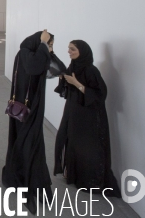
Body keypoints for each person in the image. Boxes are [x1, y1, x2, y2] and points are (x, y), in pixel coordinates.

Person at [53, 40, 121, 197]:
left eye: (72, 49)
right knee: (72, 142)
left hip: (88, 116)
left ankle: (90, 181)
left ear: (82, 51)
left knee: (87, 147)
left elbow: (99, 96)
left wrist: (76, 83)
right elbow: (66, 91)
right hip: (73, 111)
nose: (69, 51)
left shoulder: (91, 70)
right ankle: (74, 175)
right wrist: (64, 79)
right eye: (68, 48)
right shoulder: (73, 66)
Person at [2, 30, 54, 214]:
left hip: (27, 108)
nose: (49, 47)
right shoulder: (26, 54)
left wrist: (47, 49)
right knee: (29, 142)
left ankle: (21, 173)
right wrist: (43, 44)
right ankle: (23, 175)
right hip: (27, 109)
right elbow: (34, 67)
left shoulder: (29, 53)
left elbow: (56, 69)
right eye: (49, 43)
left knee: (28, 141)